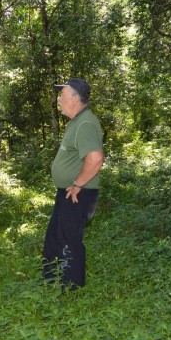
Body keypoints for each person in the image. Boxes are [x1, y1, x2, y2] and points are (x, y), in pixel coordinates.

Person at [42, 78, 104, 290]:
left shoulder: (85, 123)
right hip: (68, 192)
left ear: (75, 98)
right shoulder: (77, 121)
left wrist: (78, 183)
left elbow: (95, 157)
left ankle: (72, 288)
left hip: (79, 193)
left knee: (69, 239)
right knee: (55, 236)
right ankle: (51, 280)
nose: (59, 99)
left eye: (63, 95)